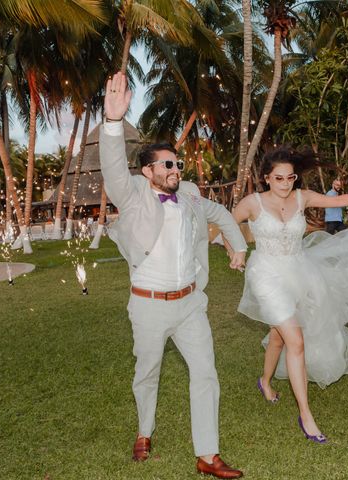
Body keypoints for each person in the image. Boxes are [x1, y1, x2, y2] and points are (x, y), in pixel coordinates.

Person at [100, 72, 246, 479]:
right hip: (148, 306)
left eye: (176, 163)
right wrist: (113, 123)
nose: (175, 168)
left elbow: (221, 215)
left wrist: (239, 245)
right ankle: (144, 431)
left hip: (190, 304)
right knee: (147, 372)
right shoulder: (132, 195)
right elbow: (112, 170)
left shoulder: (192, 196)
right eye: (167, 164)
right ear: (148, 171)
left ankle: (208, 455)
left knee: (205, 372)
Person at [230, 147, 348, 442]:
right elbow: (225, 226)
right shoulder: (251, 203)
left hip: (299, 270)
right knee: (295, 340)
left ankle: (265, 381)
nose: (285, 184)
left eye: (290, 178)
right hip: (266, 274)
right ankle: (306, 415)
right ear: (266, 178)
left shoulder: (302, 197)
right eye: (279, 178)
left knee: (278, 334)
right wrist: (236, 251)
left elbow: (341, 199)